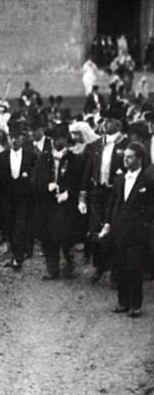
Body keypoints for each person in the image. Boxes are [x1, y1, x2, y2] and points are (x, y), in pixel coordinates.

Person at [101, 143, 154, 316]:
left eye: (130, 156)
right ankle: (122, 301)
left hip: (137, 232)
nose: (125, 159)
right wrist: (108, 223)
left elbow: (151, 206)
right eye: (125, 156)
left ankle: (135, 304)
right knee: (120, 266)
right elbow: (112, 202)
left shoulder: (147, 180)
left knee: (133, 267)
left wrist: (145, 223)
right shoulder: (120, 179)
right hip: (119, 230)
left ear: (139, 159)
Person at [80, 117, 128, 283]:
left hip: (115, 194)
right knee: (95, 230)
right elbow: (88, 171)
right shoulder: (96, 145)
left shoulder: (125, 145)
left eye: (110, 121)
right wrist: (83, 195)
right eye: (104, 121)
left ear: (118, 124)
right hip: (97, 193)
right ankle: (100, 267)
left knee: (114, 231)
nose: (105, 124)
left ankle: (116, 272)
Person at [34, 123, 85, 280]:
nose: (57, 141)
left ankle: (69, 266)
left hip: (65, 205)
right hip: (48, 204)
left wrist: (68, 194)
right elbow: (36, 179)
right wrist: (46, 186)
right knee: (48, 237)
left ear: (65, 139)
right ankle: (52, 269)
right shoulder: (44, 157)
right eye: (54, 138)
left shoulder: (74, 159)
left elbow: (78, 181)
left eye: (60, 138)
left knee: (66, 236)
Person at [0, 119, 38, 270]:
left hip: (25, 198)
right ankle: (16, 252)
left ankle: (19, 256)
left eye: (17, 137)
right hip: (8, 199)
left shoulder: (31, 156)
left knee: (21, 225)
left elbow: (34, 179)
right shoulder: (1, 157)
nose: (14, 141)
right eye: (11, 137)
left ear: (22, 139)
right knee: (9, 226)